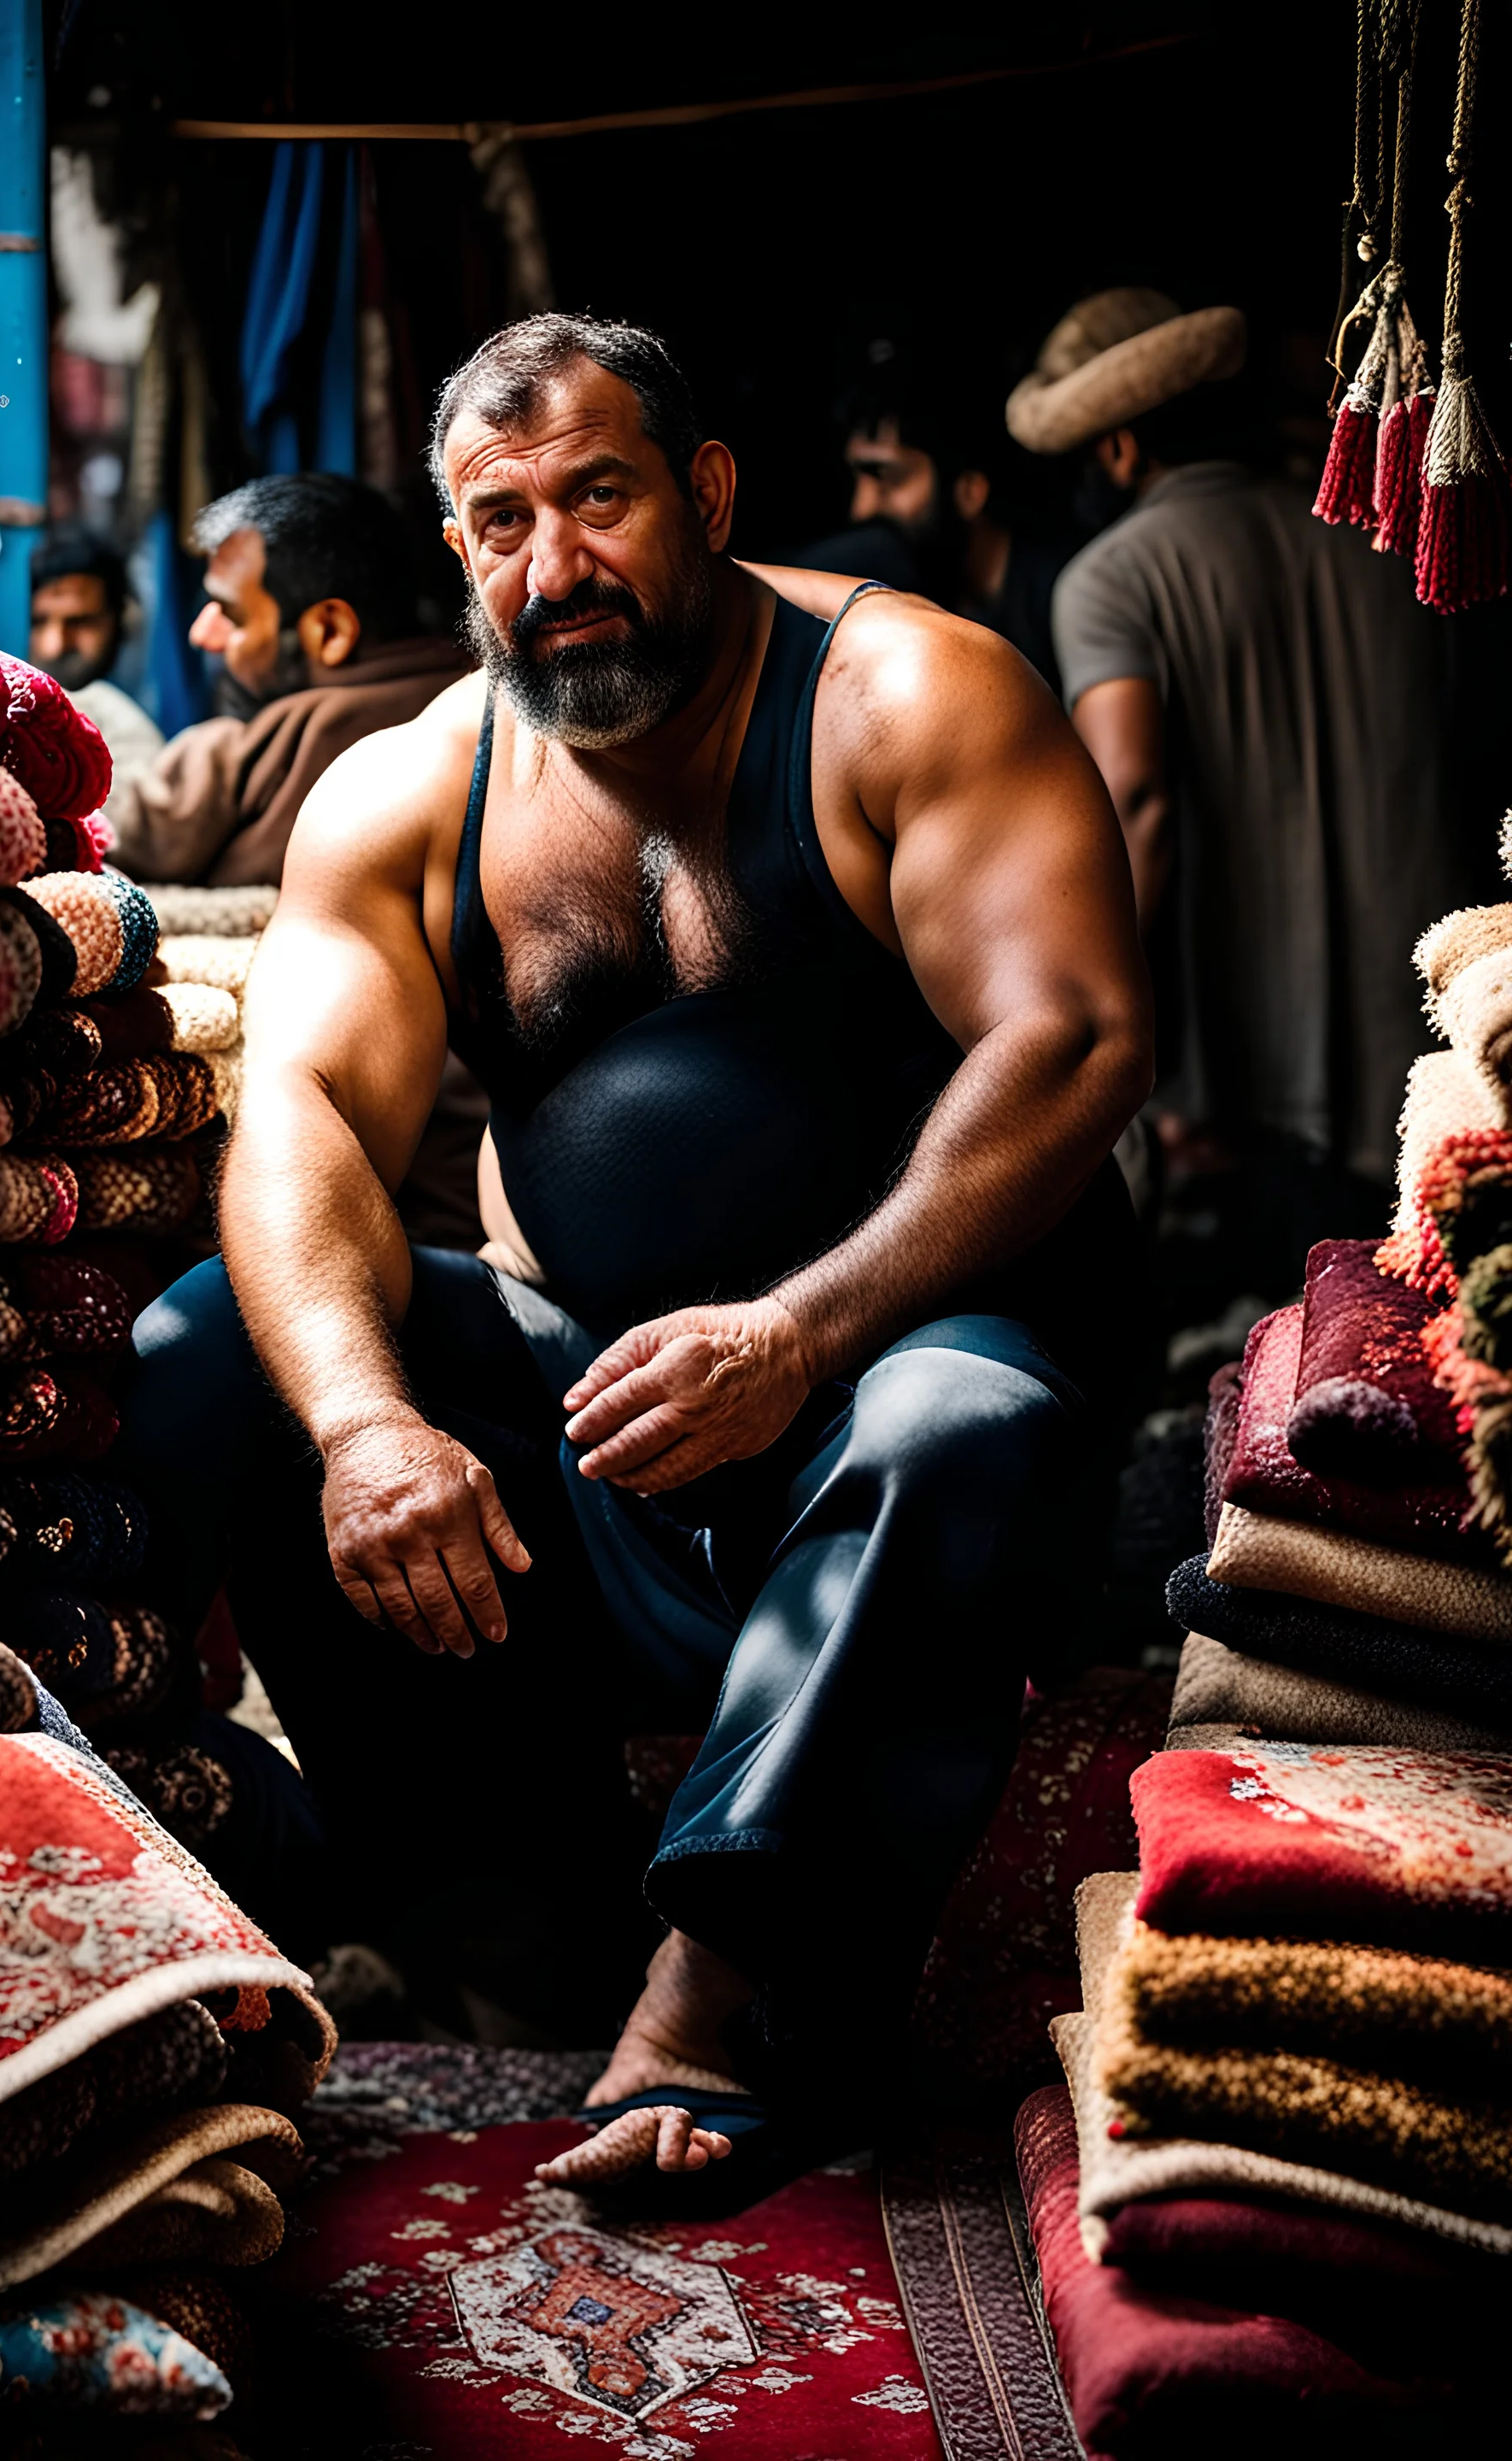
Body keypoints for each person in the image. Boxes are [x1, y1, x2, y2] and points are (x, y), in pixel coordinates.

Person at [123, 313, 1152, 2196]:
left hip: (917, 1413)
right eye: (501, 520)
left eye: (600, 498)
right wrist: (363, 1423)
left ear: (707, 491)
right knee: (209, 1345)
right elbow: (307, 1125)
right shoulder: (413, 789)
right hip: (618, 1437)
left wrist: (799, 1327)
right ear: (455, 550)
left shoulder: (905, 694)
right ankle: (362, 1906)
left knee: (945, 1417)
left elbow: (1073, 1036)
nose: (556, 567)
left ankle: (714, 1991)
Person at [1013, 286, 1492, 1273]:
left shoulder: (1110, 579)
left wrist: (1085, 1025)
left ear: (1118, 448)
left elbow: (1132, 803)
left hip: (1255, 1081)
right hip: (1431, 1031)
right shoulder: (1381, 539)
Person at [106, 472, 468, 885]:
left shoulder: (254, 752)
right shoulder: (478, 695)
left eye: (231, 614)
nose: (201, 634)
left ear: (329, 631)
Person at [796, 355, 1067, 688]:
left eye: (888, 480)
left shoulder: (1060, 599)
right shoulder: (917, 598)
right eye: (858, 481)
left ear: (969, 491)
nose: (861, 509)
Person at [30, 521, 165, 820]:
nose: (55, 646)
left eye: (79, 622)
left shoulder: (130, 730)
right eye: (39, 622)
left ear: (122, 621)